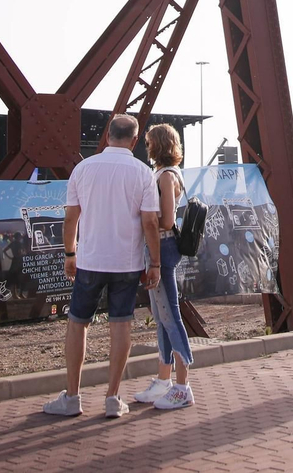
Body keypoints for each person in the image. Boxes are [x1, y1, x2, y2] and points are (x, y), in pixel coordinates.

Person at [45, 114, 160, 419]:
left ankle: (72, 397)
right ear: (135, 141)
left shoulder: (83, 169)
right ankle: (112, 397)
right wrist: (156, 263)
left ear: (107, 135)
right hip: (127, 261)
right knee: (120, 325)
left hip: (90, 259)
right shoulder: (143, 173)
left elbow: (72, 216)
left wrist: (70, 253)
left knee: (77, 323)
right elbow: (150, 221)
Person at [126, 123, 197, 410]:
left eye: (149, 142)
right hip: (158, 246)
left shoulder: (166, 176)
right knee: (161, 315)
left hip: (163, 247)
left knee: (170, 315)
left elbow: (167, 220)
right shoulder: (162, 174)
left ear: (156, 145)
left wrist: (147, 219)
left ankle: (182, 386)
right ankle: (165, 380)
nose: (147, 146)